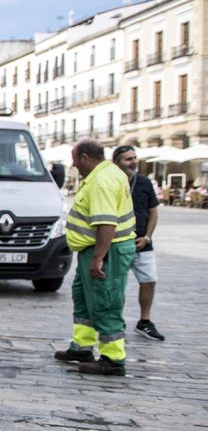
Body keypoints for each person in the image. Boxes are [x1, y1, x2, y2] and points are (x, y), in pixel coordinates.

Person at [53, 140, 136, 376]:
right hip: (94, 249)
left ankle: (112, 358)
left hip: (108, 251)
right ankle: (81, 347)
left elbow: (106, 223)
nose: (73, 164)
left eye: (75, 159)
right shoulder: (106, 173)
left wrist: (99, 258)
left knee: (105, 301)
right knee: (84, 299)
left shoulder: (102, 180)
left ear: (86, 158)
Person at [112, 146, 164, 341]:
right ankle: (116, 321)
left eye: (135, 158)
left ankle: (145, 321)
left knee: (149, 280)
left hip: (143, 242)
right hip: (118, 243)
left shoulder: (144, 182)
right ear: (117, 162)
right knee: (116, 284)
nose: (134, 162)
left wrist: (148, 237)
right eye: (128, 159)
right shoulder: (111, 182)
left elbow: (153, 211)